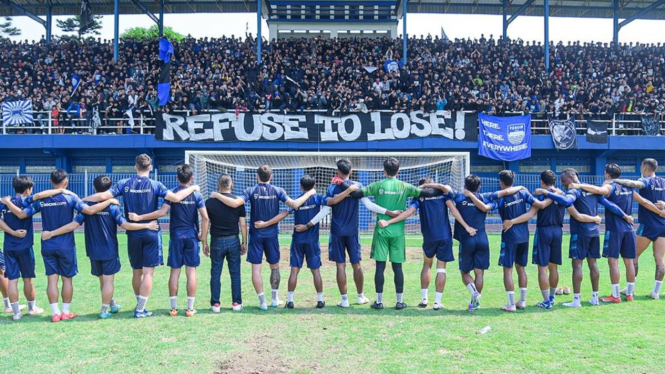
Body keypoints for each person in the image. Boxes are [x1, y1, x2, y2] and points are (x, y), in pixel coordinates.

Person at [82, 154, 200, 318]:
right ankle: (140, 309)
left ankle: (139, 306)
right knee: (148, 273)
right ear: (150, 167)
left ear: (136, 167)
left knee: (136, 272)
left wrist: (81, 200)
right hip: (151, 231)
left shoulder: (124, 183)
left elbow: (103, 196)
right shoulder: (155, 184)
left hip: (133, 233)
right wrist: (193, 188)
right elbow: (176, 198)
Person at [2, 169, 119, 322]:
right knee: (67, 279)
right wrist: (109, 201)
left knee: (52, 280)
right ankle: (65, 312)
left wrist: (7, 202)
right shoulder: (70, 197)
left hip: (47, 244)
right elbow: (89, 210)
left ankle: (55, 312)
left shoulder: (42, 200)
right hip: (66, 245)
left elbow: (23, 214)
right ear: (66, 182)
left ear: (51, 181)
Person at [40, 175, 160, 319]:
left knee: (102, 279)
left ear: (93, 188)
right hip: (109, 248)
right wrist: (147, 225)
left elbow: (73, 224)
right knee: (108, 280)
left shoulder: (86, 207)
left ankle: (112, 305)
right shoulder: (113, 207)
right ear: (109, 190)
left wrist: (51, 233)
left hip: (92, 249)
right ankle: (104, 310)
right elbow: (126, 225)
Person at [209, 165, 318, 310]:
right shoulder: (278, 190)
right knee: (275, 267)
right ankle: (274, 299)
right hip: (272, 236)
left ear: (257, 176)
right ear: (271, 177)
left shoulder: (251, 190)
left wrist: (216, 195)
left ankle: (262, 302)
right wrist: (310, 193)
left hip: (256, 236)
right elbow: (295, 204)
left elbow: (235, 203)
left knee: (256, 270)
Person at [347, 158, 441, 310]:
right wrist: (433, 186)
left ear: (384, 170)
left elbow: (356, 194)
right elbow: (429, 193)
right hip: (398, 232)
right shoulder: (405, 186)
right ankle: (399, 301)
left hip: (381, 230)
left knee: (380, 267)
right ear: (398, 171)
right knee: (398, 268)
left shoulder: (377, 185)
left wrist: (350, 185)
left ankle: (379, 301)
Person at [377, 177, 477, 310]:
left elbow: (409, 212)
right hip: (444, 236)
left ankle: (424, 299)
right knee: (441, 268)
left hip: (429, 237)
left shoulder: (419, 197)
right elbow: (453, 210)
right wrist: (466, 226)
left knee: (427, 265)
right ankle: (437, 302)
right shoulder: (442, 194)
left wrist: (389, 221)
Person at [307, 159, 396, 308]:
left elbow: (326, 209)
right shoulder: (358, 187)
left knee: (340, 266)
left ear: (338, 172)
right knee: (357, 264)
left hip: (336, 232)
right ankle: (360, 296)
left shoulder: (333, 188)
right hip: (353, 231)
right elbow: (369, 205)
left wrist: (309, 224)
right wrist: (389, 212)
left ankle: (344, 300)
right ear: (351, 171)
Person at [569, 163, 664, 303]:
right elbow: (644, 201)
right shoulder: (629, 188)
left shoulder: (610, 186)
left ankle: (615, 295)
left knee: (613, 262)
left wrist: (579, 186)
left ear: (607, 174)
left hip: (614, 229)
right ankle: (630, 294)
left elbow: (598, 190)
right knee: (629, 261)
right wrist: (660, 212)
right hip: (629, 230)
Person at [505, 171, 600, 309]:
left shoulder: (542, 195)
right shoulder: (562, 195)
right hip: (558, 231)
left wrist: (512, 221)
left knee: (542, 268)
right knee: (553, 267)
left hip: (543, 231)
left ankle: (546, 301)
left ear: (542, 181)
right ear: (555, 182)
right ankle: (552, 297)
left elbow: (531, 213)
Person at [128, 165, 209, 317]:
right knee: (191, 272)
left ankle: (173, 308)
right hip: (191, 237)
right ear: (191, 179)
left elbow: (162, 212)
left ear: (177, 178)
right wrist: (203, 237)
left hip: (176, 237)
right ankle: (190, 309)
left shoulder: (171, 194)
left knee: (174, 272)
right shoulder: (197, 195)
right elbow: (205, 217)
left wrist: (140, 217)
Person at [465, 170, 547, 312]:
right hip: (524, 236)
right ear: (513, 181)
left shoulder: (500, 198)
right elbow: (539, 205)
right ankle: (522, 301)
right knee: (521, 268)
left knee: (508, 271)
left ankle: (511, 304)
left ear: (501, 182)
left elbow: (484, 208)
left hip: (509, 237)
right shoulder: (523, 193)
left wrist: (470, 196)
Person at [253, 175, 334, 309]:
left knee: (294, 271)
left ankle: (290, 301)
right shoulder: (318, 198)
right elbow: (331, 202)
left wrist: (267, 223)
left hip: (297, 241)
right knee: (316, 271)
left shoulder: (296, 200)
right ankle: (320, 300)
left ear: (301, 187)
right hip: (312, 241)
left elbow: (284, 213)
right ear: (314, 186)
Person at [610, 158, 665, 299]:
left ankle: (630, 289)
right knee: (659, 258)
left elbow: (635, 184)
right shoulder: (663, 182)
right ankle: (656, 292)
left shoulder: (646, 180)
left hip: (648, 225)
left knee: (633, 255)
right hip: (663, 225)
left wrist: (617, 181)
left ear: (645, 168)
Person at [205, 174, 247, 312]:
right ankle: (236, 303)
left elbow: (206, 222)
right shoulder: (238, 201)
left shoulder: (210, 202)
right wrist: (244, 241)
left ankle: (215, 304)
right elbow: (243, 224)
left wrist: (204, 241)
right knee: (235, 273)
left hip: (216, 240)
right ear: (232, 185)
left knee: (216, 273)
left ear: (217, 186)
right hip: (233, 239)